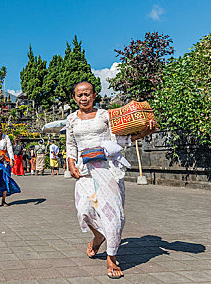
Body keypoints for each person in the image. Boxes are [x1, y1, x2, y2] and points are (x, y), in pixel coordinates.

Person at [66, 81, 156, 279]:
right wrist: (71, 164)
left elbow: (123, 138)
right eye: (79, 95)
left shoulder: (105, 115)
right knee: (84, 210)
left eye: (87, 94)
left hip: (108, 169)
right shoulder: (71, 119)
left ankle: (111, 257)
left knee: (112, 214)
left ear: (94, 95)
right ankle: (99, 235)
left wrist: (145, 132)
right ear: (74, 97)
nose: (83, 98)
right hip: (85, 171)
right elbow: (71, 144)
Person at [0, 123, 21, 208]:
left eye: (0, 128)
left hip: (4, 161)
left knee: (5, 179)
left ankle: (3, 200)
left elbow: (9, 148)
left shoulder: (6, 137)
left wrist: (12, 159)